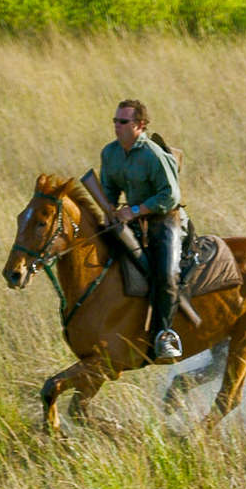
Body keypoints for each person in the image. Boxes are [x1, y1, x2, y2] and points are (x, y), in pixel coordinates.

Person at [100, 98, 185, 363]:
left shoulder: (153, 155)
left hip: (164, 219)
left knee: (166, 275)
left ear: (140, 125)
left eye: (123, 122)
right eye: (115, 121)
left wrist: (134, 211)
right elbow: (109, 188)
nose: (117, 126)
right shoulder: (110, 153)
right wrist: (109, 209)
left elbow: (170, 196)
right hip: (130, 218)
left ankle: (165, 335)